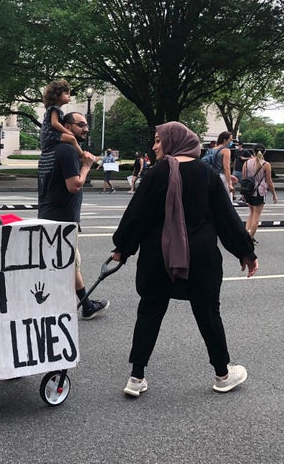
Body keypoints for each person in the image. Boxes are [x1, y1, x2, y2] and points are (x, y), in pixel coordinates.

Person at [111, 121, 258, 398]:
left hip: (157, 258)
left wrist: (123, 247)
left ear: (172, 142)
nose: (154, 146)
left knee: (150, 312)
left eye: (158, 140)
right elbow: (226, 218)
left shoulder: (155, 175)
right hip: (200, 259)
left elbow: (136, 217)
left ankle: (136, 376)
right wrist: (245, 252)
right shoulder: (206, 174)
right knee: (207, 314)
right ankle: (223, 374)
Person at [38, 111, 109, 320]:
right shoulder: (67, 151)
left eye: (86, 124)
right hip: (63, 219)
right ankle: (81, 306)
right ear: (66, 127)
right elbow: (74, 185)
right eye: (81, 125)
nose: (86, 128)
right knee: (68, 263)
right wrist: (86, 166)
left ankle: (84, 304)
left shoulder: (49, 150)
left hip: (49, 214)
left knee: (67, 262)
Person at [40, 80, 86, 158]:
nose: (69, 96)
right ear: (56, 95)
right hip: (50, 135)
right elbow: (54, 123)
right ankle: (82, 155)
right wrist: (67, 131)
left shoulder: (55, 109)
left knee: (71, 140)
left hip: (51, 135)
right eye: (66, 93)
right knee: (72, 139)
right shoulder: (54, 109)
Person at [242, 144, 278, 243]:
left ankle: (245, 234)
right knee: (256, 216)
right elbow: (269, 181)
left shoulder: (246, 163)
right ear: (264, 152)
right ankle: (249, 238)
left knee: (251, 213)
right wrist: (274, 194)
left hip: (248, 191)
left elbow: (244, 179)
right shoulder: (266, 164)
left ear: (252, 151)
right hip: (259, 192)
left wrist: (243, 194)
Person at [209, 131, 235, 202]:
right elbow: (226, 168)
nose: (231, 141)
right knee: (226, 201)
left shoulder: (211, 150)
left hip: (212, 176)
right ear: (225, 140)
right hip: (222, 177)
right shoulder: (226, 151)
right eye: (230, 139)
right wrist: (229, 184)